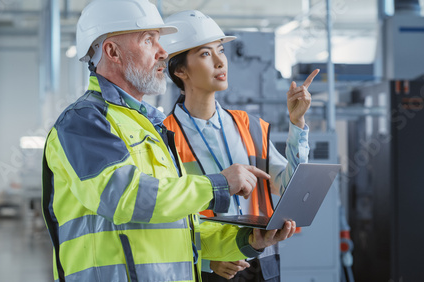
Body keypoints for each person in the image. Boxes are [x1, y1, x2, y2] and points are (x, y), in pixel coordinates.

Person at [41, 1, 296, 281]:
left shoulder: (150, 126)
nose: (163, 52)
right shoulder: (85, 122)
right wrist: (218, 184)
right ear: (112, 52)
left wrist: (247, 240)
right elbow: (126, 198)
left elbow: (179, 227)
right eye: (149, 40)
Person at [161, 10, 319, 282]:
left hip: (261, 260)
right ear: (180, 70)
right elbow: (165, 213)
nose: (221, 61)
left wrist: (297, 122)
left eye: (221, 50)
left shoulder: (251, 126)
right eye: (205, 54)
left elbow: (288, 185)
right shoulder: (164, 136)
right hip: (206, 269)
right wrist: (207, 259)